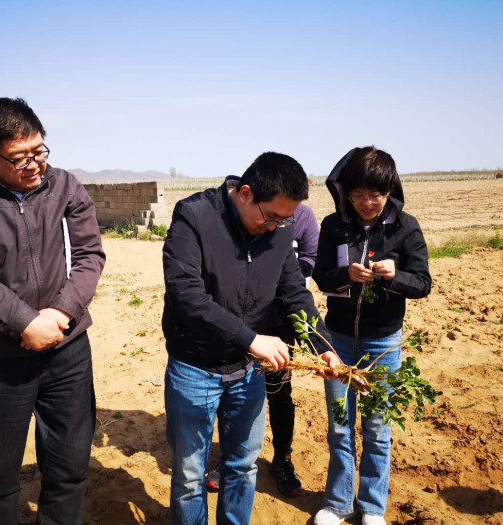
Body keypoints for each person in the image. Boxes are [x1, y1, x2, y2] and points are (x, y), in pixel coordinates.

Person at [0, 97, 106, 525]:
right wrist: (24, 323)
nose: (33, 165)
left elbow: (89, 256)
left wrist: (60, 315)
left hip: (67, 351)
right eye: (19, 158)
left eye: (39, 151)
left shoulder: (64, 185)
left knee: (69, 468)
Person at [162, 152, 340, 524]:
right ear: (244, 194)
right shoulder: (194, 217)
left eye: (286, 219)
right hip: (196, 367)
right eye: (271, 216)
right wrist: (251, 339)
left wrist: (322, 345)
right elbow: (187, 296)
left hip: (247, 372)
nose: (276, 227)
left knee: (242, 467)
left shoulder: (278, 231)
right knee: (190, 476)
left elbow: (293, 292)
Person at [311, 147, 432, 525]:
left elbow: (423, 283)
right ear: (344, 191)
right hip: (339, 339)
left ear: (389, 190)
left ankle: (372, 507)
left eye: (375, 195)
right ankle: (338, 503)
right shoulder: (333, 225)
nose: (366, 202)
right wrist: (345, 274)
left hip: (383, 343)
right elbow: (319, 275)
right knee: (340, 424)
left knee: (378, 427)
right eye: (358, 194)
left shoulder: (405, 227)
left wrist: (395, 277)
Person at [205, 202, 320, 497]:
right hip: (244, 324)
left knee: (280, 393)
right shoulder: (246, 216)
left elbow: (311, 257)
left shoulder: (305, 217)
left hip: (281, 323)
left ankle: (282, 458)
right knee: (233, 391)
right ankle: (231, 457)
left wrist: (284, 267)